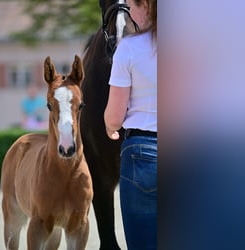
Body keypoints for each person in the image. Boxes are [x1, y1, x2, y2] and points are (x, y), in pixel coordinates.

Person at [104, 0, 157, 249]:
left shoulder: (128, 49)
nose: (128, 11)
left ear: (145, 5)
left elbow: (114, 117)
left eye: (131, 4)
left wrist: (109, 126)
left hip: (142, 154)